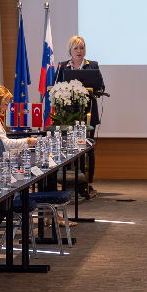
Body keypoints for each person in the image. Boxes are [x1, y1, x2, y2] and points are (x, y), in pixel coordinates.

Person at [55, 35, 105, 194]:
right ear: (70, 50)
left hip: (88, 113)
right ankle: (68, 181)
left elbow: (101, 87)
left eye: (82, 48)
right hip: (67, 115)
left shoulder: (93, 65)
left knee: (87, 147)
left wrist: (91, 89)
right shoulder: (63, 66)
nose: (79, 51)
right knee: (68, 147)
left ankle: (88, 182)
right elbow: (56, 87)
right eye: (76, 48)